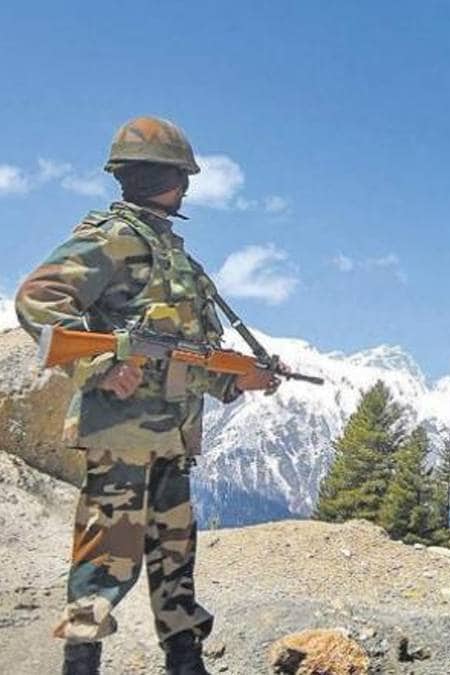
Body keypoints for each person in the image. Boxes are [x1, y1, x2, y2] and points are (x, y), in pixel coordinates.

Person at [14, 116, 281, 675]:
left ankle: (184, 659)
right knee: (106, 554)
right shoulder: (111, 237)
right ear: (179, 177)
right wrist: (102, 360)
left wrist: (238, 378)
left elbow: (187, 357)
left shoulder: (175, 256)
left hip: (171, 436)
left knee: (174, 553)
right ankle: (81, 663)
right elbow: (38, 300)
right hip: (121, 435)